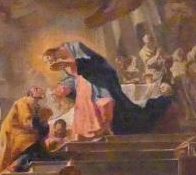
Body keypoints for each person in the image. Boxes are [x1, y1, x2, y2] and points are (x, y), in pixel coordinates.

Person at [44, 41, 173, 136]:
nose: (49, 62)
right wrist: (64, 88)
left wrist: (68, 63)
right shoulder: (61, 64)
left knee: (106, 104)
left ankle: (103, 129)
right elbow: (72, 79)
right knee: (85, 109)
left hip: (99, 81)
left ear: (51, 52)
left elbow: (96, 61)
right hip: (84, 87)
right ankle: (92, 134)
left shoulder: (74, 47)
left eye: (48, 59)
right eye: (47, 62)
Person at [0, 87, 53, 175]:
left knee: (41, 152)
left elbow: (40, 124)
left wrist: (44, 125)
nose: (39, 90)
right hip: (14, 134)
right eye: (36, 89)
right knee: (32, 148)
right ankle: (14, 166)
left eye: (39, 89)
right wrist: (40, 125)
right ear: (30, 94)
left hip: (27, 134)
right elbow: (27, 122)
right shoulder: (23, 103)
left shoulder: (36, 106)